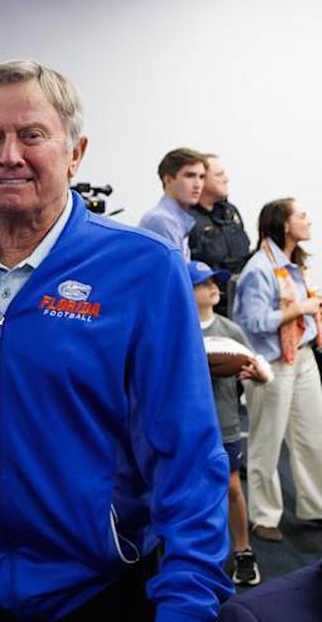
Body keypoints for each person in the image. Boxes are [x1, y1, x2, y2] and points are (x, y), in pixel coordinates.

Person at [0, 60, 231, 622]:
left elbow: (186, 452)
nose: (9, 154)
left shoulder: (142, 268)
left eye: (32, 134)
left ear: (76, 152)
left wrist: (189, 601)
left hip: (98, 592)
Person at [231, 197, 322, 543]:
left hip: (302, 358)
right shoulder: (260, 269)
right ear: (285, 225)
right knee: (266, 443)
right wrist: (301, 307)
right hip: (270, 363)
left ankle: (316, 506)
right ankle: (264, 516)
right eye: (302, 215)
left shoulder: (296, 264)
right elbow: (251, 322)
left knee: (314, 437)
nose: (309, 220)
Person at [190, 260, 270, 586]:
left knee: (232, 485)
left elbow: (260, 372)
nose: (214, 287)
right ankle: (190, 554)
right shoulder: (177, 327)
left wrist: (258, 374)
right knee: (186, 488)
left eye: (215, 282)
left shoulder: (230, 330)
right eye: (204, 283)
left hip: (224, 422)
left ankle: (243, 550)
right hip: (186, 422)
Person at [139, 147, 207, 261]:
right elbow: (173, 275)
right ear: (168, 180)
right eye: (189, 176)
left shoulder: (179, 220)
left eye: (202, 177)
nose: (198, 184)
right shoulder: (162, 220)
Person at [188, 154, 251, 275]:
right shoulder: (187, 220)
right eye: (219, 175)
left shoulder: (230, 212)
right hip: (212, 289)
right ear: (201, 180)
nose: (226, 179)